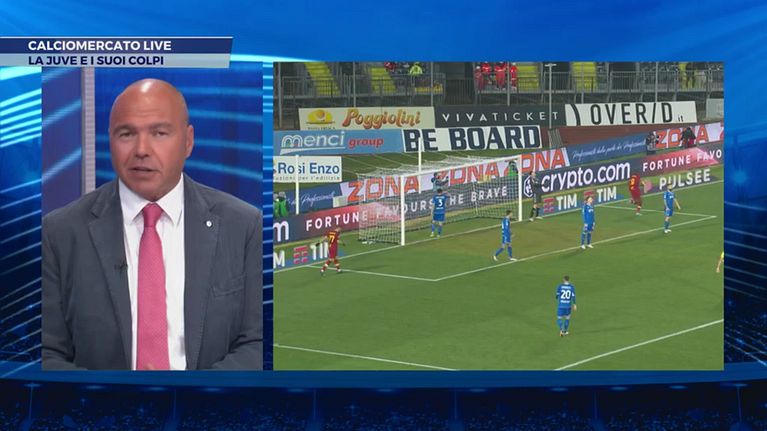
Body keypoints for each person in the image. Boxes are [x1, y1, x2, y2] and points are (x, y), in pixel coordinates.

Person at [42, 79, 263, 371]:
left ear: (188, 141)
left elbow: (256, 343)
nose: (141, 149)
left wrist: (194, 394)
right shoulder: (60, 233)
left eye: (159, 133)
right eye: (127, 134)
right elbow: (48, 354)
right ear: (110, 140)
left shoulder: (243, 226)